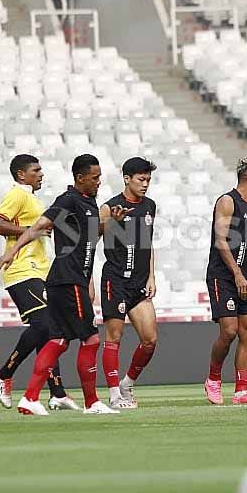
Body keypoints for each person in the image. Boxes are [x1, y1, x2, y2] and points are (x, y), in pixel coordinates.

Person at [0, 154, 116, 415]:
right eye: (94, 178)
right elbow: (38, 226)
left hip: (72, 280)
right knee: (91, 339)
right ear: (80, 178)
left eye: (99, 177)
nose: (98, 182)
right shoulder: (68, 200)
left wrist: (109, 222)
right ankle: (92, 402)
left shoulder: (88, 202)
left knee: (59, 340)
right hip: (67, 279)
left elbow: (87, 237)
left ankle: (29, 398)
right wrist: (11, 252)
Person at [0, 154, 78, 411]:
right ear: (21, 175)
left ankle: (57, 392)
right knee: (45, 324)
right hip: (21, 270)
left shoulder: (31, 198)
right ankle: (4, 374)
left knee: (52, 329)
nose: (41, 174)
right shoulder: (17, 194)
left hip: (38, 270)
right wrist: (32, 231)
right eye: (36, 170)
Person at [203, 157, 247, 405]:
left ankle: (242, 391)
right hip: (224, 276)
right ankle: (213, 380)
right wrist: (238, 274)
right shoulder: (227, 201)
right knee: (229, 331)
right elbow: (221, 241)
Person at [98, 157, 161, 409]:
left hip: (139, 284)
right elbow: (92, 237)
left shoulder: (150, 206)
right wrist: (112, 222)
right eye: (141, 179)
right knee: (114, 336)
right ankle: (114, 395)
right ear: (127, 179)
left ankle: (127, 383)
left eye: (148, 180)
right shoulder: (109, 207)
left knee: (150, 340)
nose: (145, 184)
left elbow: (148, 243)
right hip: (115, 280)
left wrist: (151, 275)